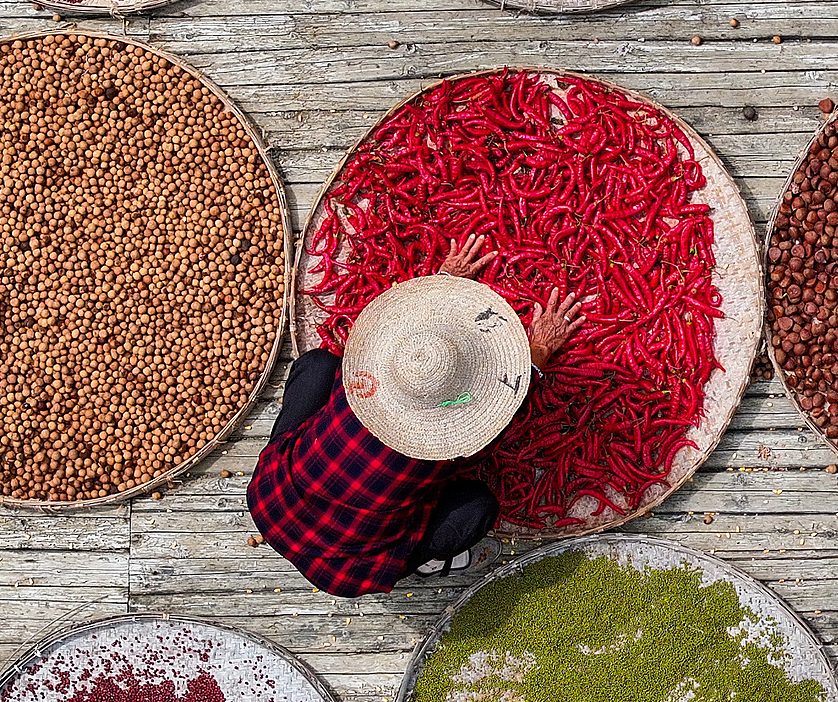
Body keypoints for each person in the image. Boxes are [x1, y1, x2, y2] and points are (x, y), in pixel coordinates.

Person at [247, 236, 587, 597]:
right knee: (476, 509)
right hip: (347, 570)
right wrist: (539, 350)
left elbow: (412, 328)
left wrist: (443, 282)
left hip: (270, 498)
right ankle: (426, 561)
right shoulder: (448, 449)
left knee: (318, 365)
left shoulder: (363, 375)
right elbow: (508, 407)